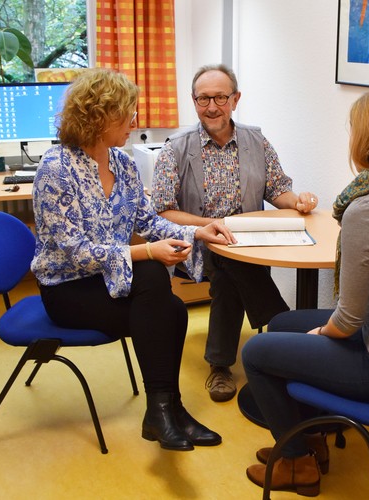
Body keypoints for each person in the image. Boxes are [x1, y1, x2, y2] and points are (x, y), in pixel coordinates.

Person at [242, 87, 369, 496]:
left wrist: (324, 335)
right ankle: (310, 437)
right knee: (283, 322)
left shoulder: (368, 209)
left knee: (256, 352)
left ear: (367, 140)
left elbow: (349, 317)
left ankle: (297, 464)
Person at [31, 68, 237, 452]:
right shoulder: (56, 169)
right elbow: (76, 251)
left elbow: (147, 220)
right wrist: (145, 251)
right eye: (127, 112)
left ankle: (165, 410)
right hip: (68, 289)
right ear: (99, 116)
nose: (134, 121)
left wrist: (199, 231)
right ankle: (165, 411)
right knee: (158, 291)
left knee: (170, 309)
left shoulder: (123, 164)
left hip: (114, 279)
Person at [151, 63, 319, 402]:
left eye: (220, 97)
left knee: (232, 271)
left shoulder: (256, 140)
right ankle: (287, 329)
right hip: (197, 243)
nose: (211, 106)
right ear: (193, 100)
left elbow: (278, 190)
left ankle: (221, 364)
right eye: (203, 99)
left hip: (248, 243)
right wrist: (210, 226)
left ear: (235, 98)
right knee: (228, 269)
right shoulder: (176, 148)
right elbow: (162, 209)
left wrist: (298, 201)